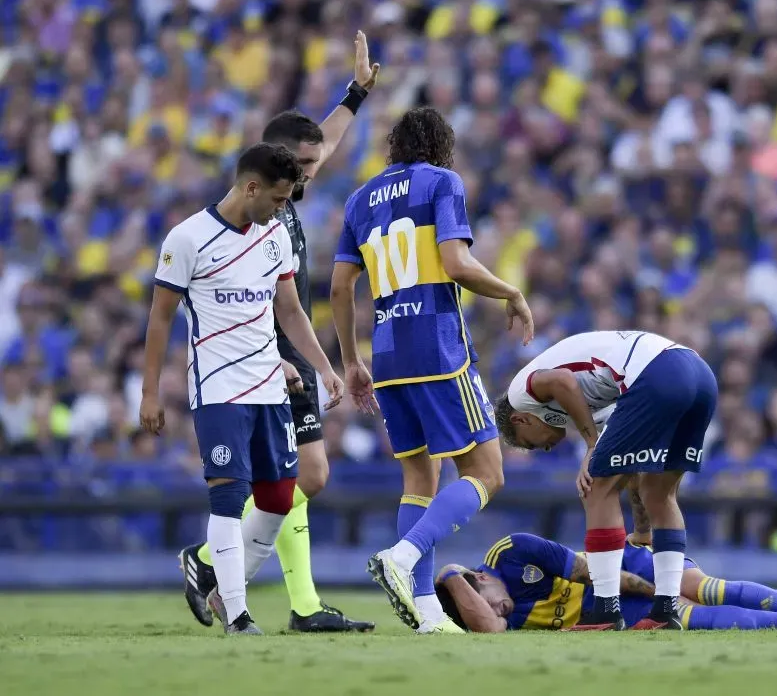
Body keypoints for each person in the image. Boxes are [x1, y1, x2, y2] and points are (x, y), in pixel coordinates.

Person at [177, 31, 379, 634]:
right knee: (295, 475)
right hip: (260, 355)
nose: (315, 174)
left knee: (307, 476)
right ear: (278, 163)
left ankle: (213, 563)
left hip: (290, 346)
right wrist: (278, 357)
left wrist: (357, 93)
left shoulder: (286, 190)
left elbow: (329, 136)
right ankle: (299, 603)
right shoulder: (256, 206)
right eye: (306, 165)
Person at [330, 106, 534, 633]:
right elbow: (457, 265)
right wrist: (510, 291)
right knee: (487, 472)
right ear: (442, 145)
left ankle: (424, 613)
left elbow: (338, 288)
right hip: (438, 350)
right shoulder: (443, 182)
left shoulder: (358, 200)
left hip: (388, 354)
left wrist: (352, 362)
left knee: (419, 479)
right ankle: (403, 556)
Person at [140, 142, 345, 635]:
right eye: (278, 199)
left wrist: (322, 367)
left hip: (271, 387)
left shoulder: (273, 237)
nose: (282, 209)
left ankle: (218, 585)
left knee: (277, 499)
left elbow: (290, 312)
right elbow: (160, 316)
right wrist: (149, 392)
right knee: (229, 497)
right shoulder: (188, 238)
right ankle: (237, 614)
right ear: (251, 187)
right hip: (218, 387)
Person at [493, 330, 717, 630]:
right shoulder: (593, 404)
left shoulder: (521, 393)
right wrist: (641, 527)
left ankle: (606, 609)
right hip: (699, 375)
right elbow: (634, 469)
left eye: (532, 443)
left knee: (595, 488)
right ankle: (665, 610)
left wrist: (589, 445)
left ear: (521, 420)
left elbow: (563, 381)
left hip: (656, 371)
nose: (546, 447)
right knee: (659, 493)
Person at [433, 533, 777, 632]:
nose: (495, 611)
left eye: (486, 599)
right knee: (698, 620)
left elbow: (597, 572)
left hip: (625, 568)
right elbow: (487, 628)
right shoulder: (486, 613)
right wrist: (450, 576)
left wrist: (662, 591)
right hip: (616, 609)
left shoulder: (512, 553)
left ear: (482, 576)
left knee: (706, 589)